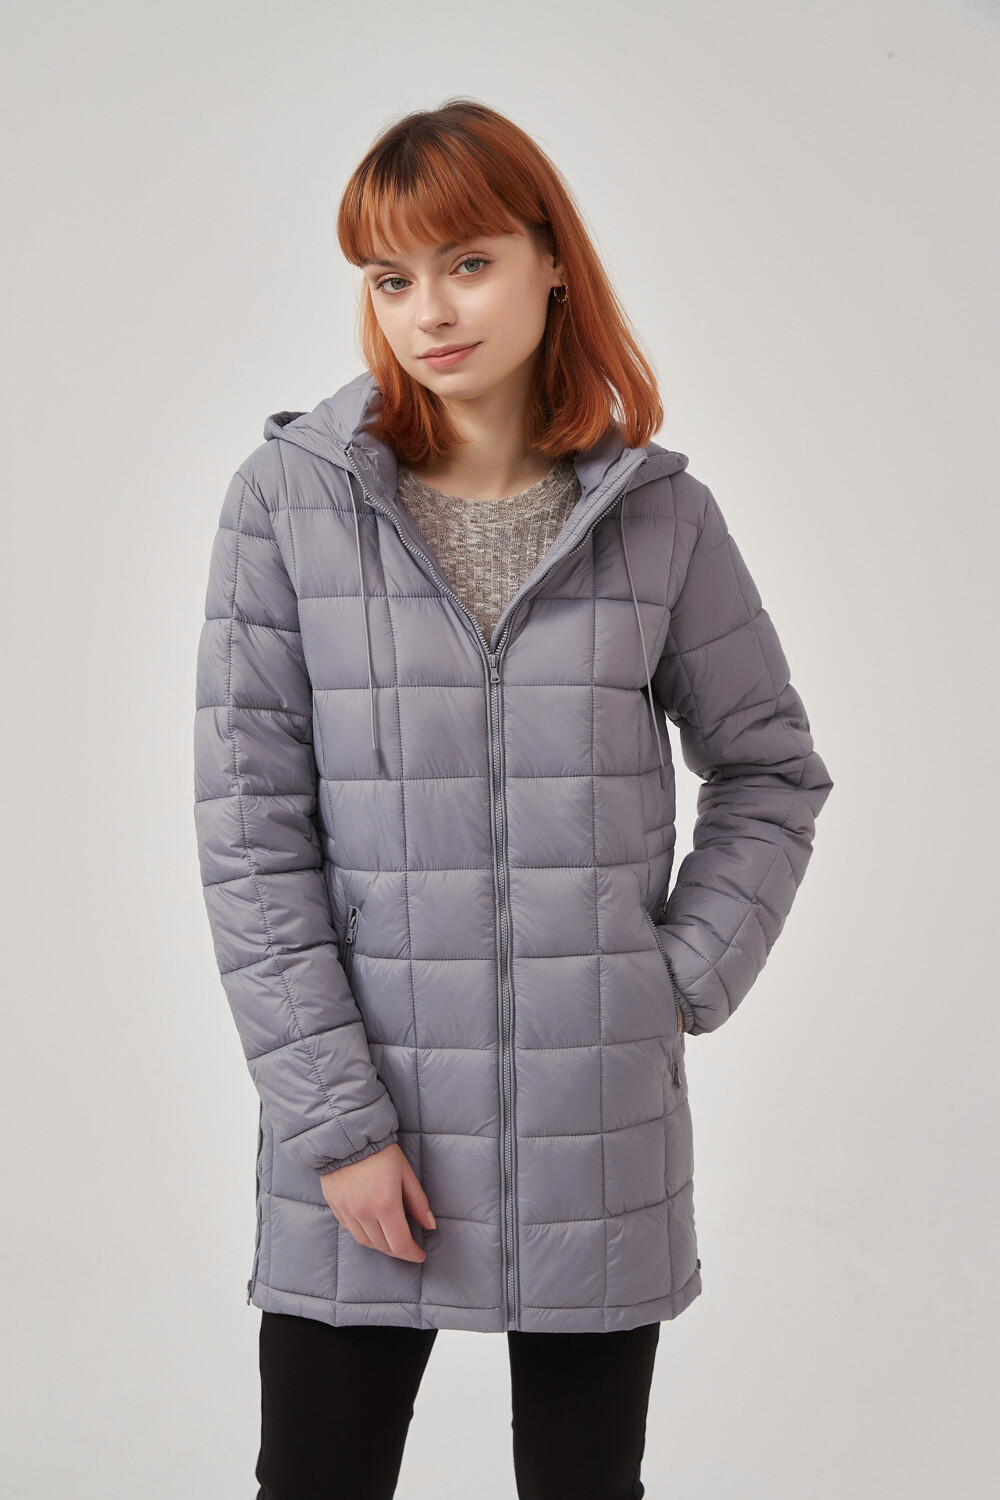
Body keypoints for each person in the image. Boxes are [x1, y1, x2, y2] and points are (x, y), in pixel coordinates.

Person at [193, 98, 833, 1500]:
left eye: (469, 262)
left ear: (552, 263)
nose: (429, 310)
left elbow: (771, 768)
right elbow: (250, 837)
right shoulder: (289, 503)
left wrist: (670, 978)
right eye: (392, 276)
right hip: (369, 1120)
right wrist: (339, 1128)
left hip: (594, 1126)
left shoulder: (661, 519)